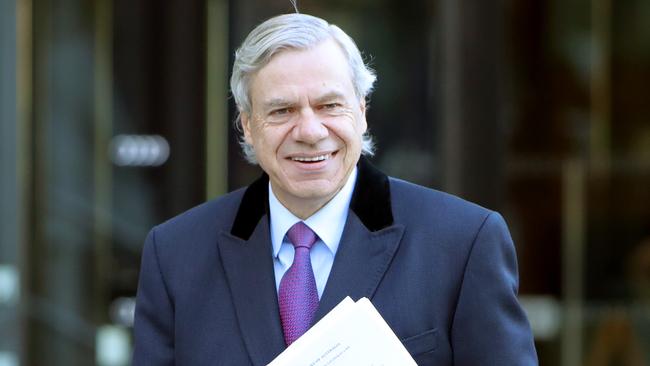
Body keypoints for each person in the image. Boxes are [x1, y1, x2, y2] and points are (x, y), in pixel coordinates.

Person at [133, 13, 538, 365]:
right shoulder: (175, 256)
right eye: (282, 110)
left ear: (361, 113)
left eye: (329, 106)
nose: (310, 131)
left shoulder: (464, 243)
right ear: (247, 126)